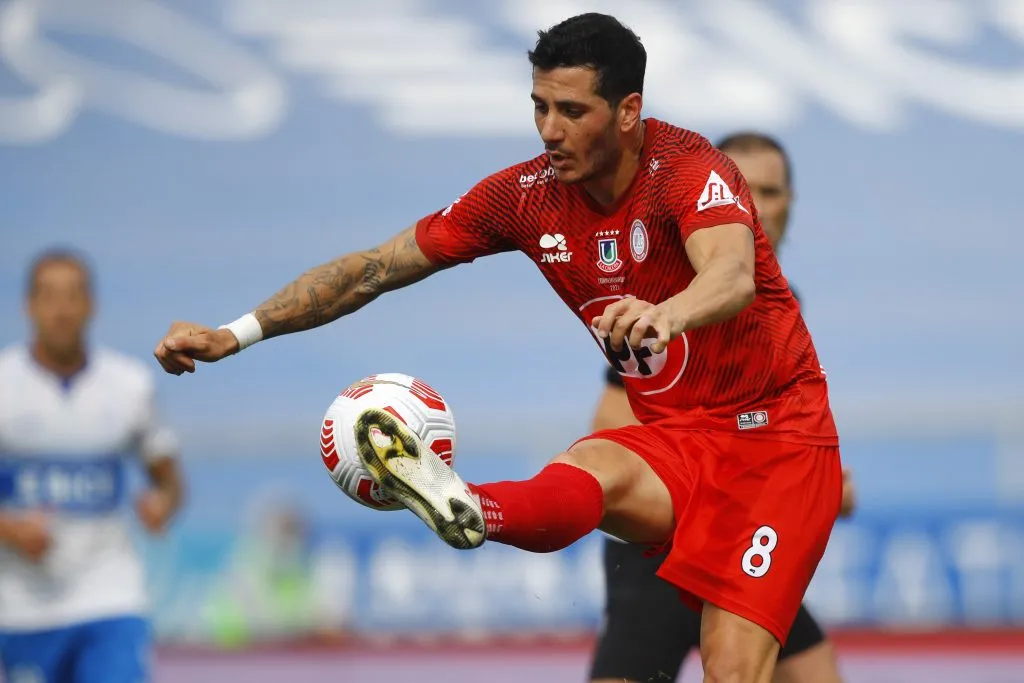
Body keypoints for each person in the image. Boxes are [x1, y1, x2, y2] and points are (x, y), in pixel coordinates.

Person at [155, 14, 843, 683]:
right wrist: (238, 331)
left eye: (572, 110)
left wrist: (668, 313)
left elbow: (731, 274)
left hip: (778, 442)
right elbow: (374, 268)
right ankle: (471, 506)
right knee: (594, 461)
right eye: (539, 106)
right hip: (678, 436)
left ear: (628, 110)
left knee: (730, 669)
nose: (549, 129)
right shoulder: (524, 197)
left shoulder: (689, 168)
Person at [588, 133, 856, 683]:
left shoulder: (782, 304)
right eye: (740, 188)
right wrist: (727, 472)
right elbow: (609, 425)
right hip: (661, 561)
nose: (755, 205)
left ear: (791, 203)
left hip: (747, 544)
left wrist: (816, 485)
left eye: (770, 191)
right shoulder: (674, 296)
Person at [0, 249, 184, 683]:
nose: (61, 309)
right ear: (29, 306)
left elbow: (168, 477)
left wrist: (163, 504)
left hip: (110, 596)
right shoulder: (4, 386)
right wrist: (9, 529)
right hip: (25, 604)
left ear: (92, 305)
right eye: (49, 296)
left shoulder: (129, 384)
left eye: (73, 296)